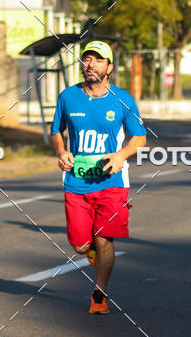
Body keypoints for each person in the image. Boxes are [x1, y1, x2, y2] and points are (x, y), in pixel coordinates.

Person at [50, 41, 146, 313]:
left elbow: (140, 137)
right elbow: (55, 130)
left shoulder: (122, 99)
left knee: (104, 238)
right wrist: (61, 151)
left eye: (97, 60)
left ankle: (100, 293)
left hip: (112, 183)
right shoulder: (68, 96)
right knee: (81, 246)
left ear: (109, 67)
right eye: (86, 59)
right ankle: (90, 249)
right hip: (77, 181)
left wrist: (121, 155)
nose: (90, 64)